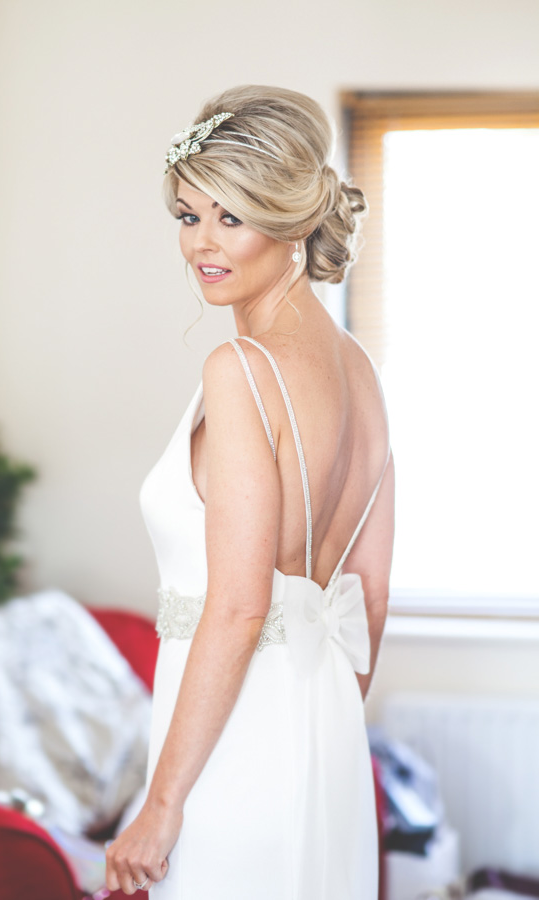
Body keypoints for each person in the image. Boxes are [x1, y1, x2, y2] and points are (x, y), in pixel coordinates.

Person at [105, 84, 395, 898]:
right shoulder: (363, 373)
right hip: (325, 740)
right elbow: (370, 598)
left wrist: (163, 804)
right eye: (188, 214)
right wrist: (319, 727)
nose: (202, 242)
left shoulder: (239, 370)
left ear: (291, 219)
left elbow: (238, 606)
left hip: (230, 758)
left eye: (231, 216)